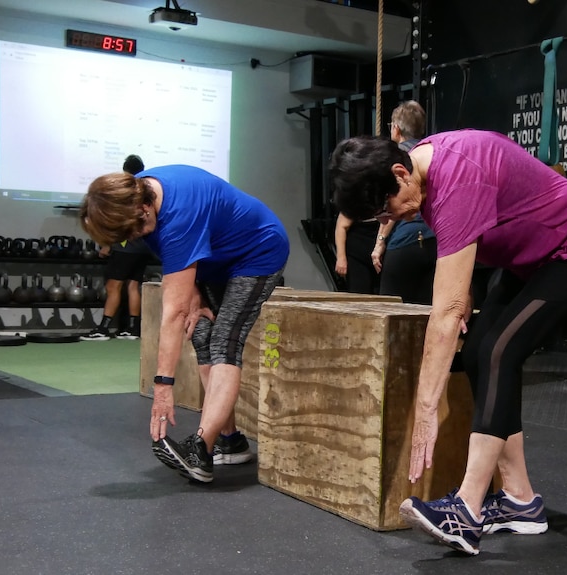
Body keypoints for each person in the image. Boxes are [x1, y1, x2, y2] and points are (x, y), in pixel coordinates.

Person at [329, 129, 567, 555]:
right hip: (527, 256)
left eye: (386, 208)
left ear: (399, 173)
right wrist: (462, 294)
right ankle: (521, 501)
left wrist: (426, 407)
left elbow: (443, 315)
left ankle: (467, 507)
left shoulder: (456, 174)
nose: (389, 219)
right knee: (482, 351)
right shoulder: (418, 170)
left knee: (501, 349)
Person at [80, 164, 290, 483]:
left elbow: (173, 313)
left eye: (138, 228)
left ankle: (201, 450)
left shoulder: (178, 215)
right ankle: (230, 441)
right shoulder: (134, 195)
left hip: (257, 253)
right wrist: (193, 289)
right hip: (212, 259)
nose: (137, 236)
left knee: (224, 341)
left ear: (145, 205)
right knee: (201, 332)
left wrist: (163, 386)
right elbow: (175, 261)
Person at [81, 155, 154, 341]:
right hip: (144, 247)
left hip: (126, 247)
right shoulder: (146, 189)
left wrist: (107, 245)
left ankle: (103, 329)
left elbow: (119, 220)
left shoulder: (125, 190)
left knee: (113, 286)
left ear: (125, 170)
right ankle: (132, 329)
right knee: (133, 286)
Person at [371, 101, 437, 304]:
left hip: (405, 242)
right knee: (426, 311)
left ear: (396, 128)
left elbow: (397, 204)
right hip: (435, 241)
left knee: (391, 310)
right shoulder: (432, 154)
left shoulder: (396, 160)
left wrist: (379, 244)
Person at [333, 212, 380, 294]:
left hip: (385, 247)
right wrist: (341, 258)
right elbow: (341, 226)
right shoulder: (355, 200)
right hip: (357, 251)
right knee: (359, 293)